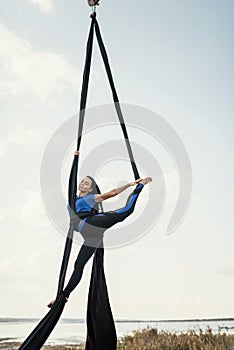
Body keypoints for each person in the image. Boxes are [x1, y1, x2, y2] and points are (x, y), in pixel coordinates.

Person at [47, 151, 152, 308]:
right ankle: (63, 296)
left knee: (125, 211)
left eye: (87, 184)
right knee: (78, 265)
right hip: (90, 237)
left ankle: (139, 188)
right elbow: (71, 181)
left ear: (90, 189)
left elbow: (112, 193)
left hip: (93, 223)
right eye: (82, 181)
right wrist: (74, 160)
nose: (83, 184)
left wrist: (130, 185)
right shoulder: (72, 199)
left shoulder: (90, 197)